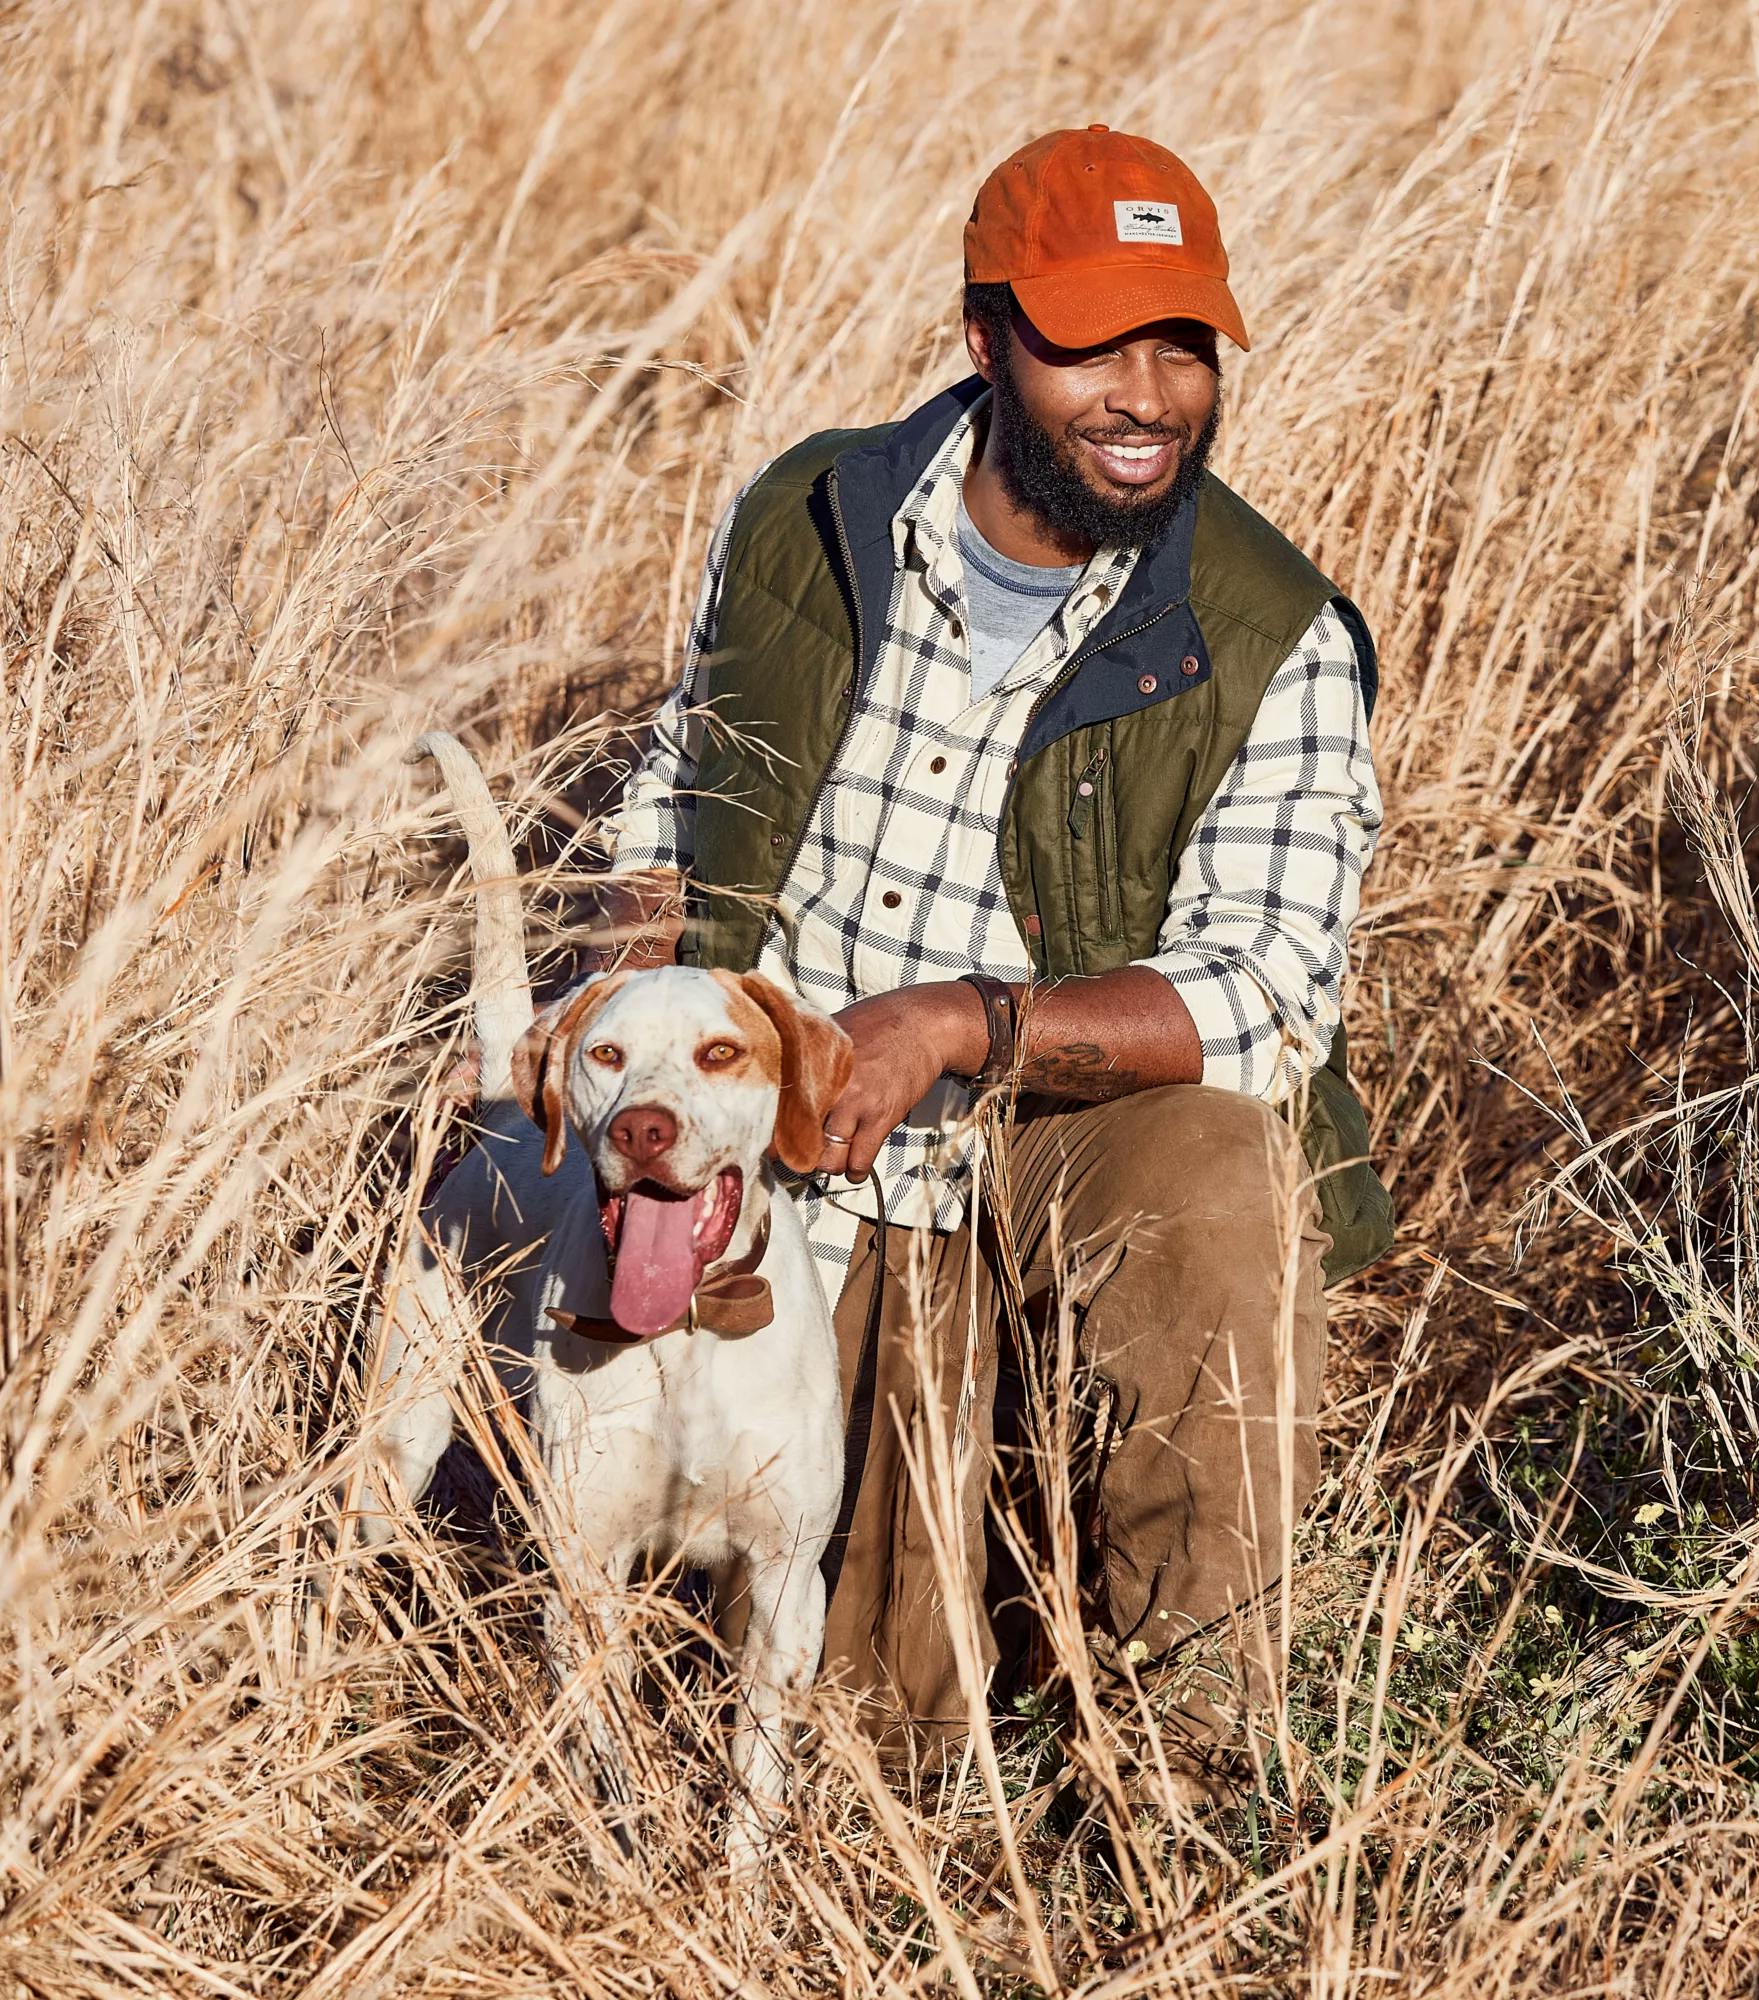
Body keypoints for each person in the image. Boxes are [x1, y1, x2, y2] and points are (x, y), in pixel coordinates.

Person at [597, 125, 1392, 1788]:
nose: (1148, 393)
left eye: (1183, 344)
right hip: (795, 1166)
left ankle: (1201, 1783)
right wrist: (641, 1045)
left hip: (1035, 1153)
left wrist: (956, 1023)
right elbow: (676, 810)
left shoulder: (1270, 633)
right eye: (1095, 340)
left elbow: (1268, 996)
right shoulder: (811, 514)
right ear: (985, 337)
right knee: (873, 1759)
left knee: (1222, 1172)